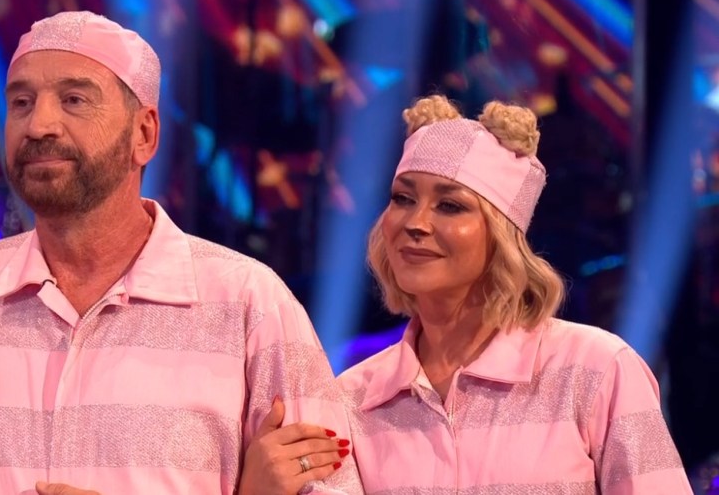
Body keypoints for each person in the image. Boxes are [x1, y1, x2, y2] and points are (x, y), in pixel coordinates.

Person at [0, 11, 362, 495]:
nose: (39, 124)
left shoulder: (246, 302)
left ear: (144, 134)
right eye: (21, 102)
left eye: (73, 99)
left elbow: (328, 483)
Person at [244, 95, 694, 494]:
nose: (415, 223)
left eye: (450, 205)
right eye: (402, 199)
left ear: (501, 236)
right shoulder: (354, 399)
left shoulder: (595, 369)